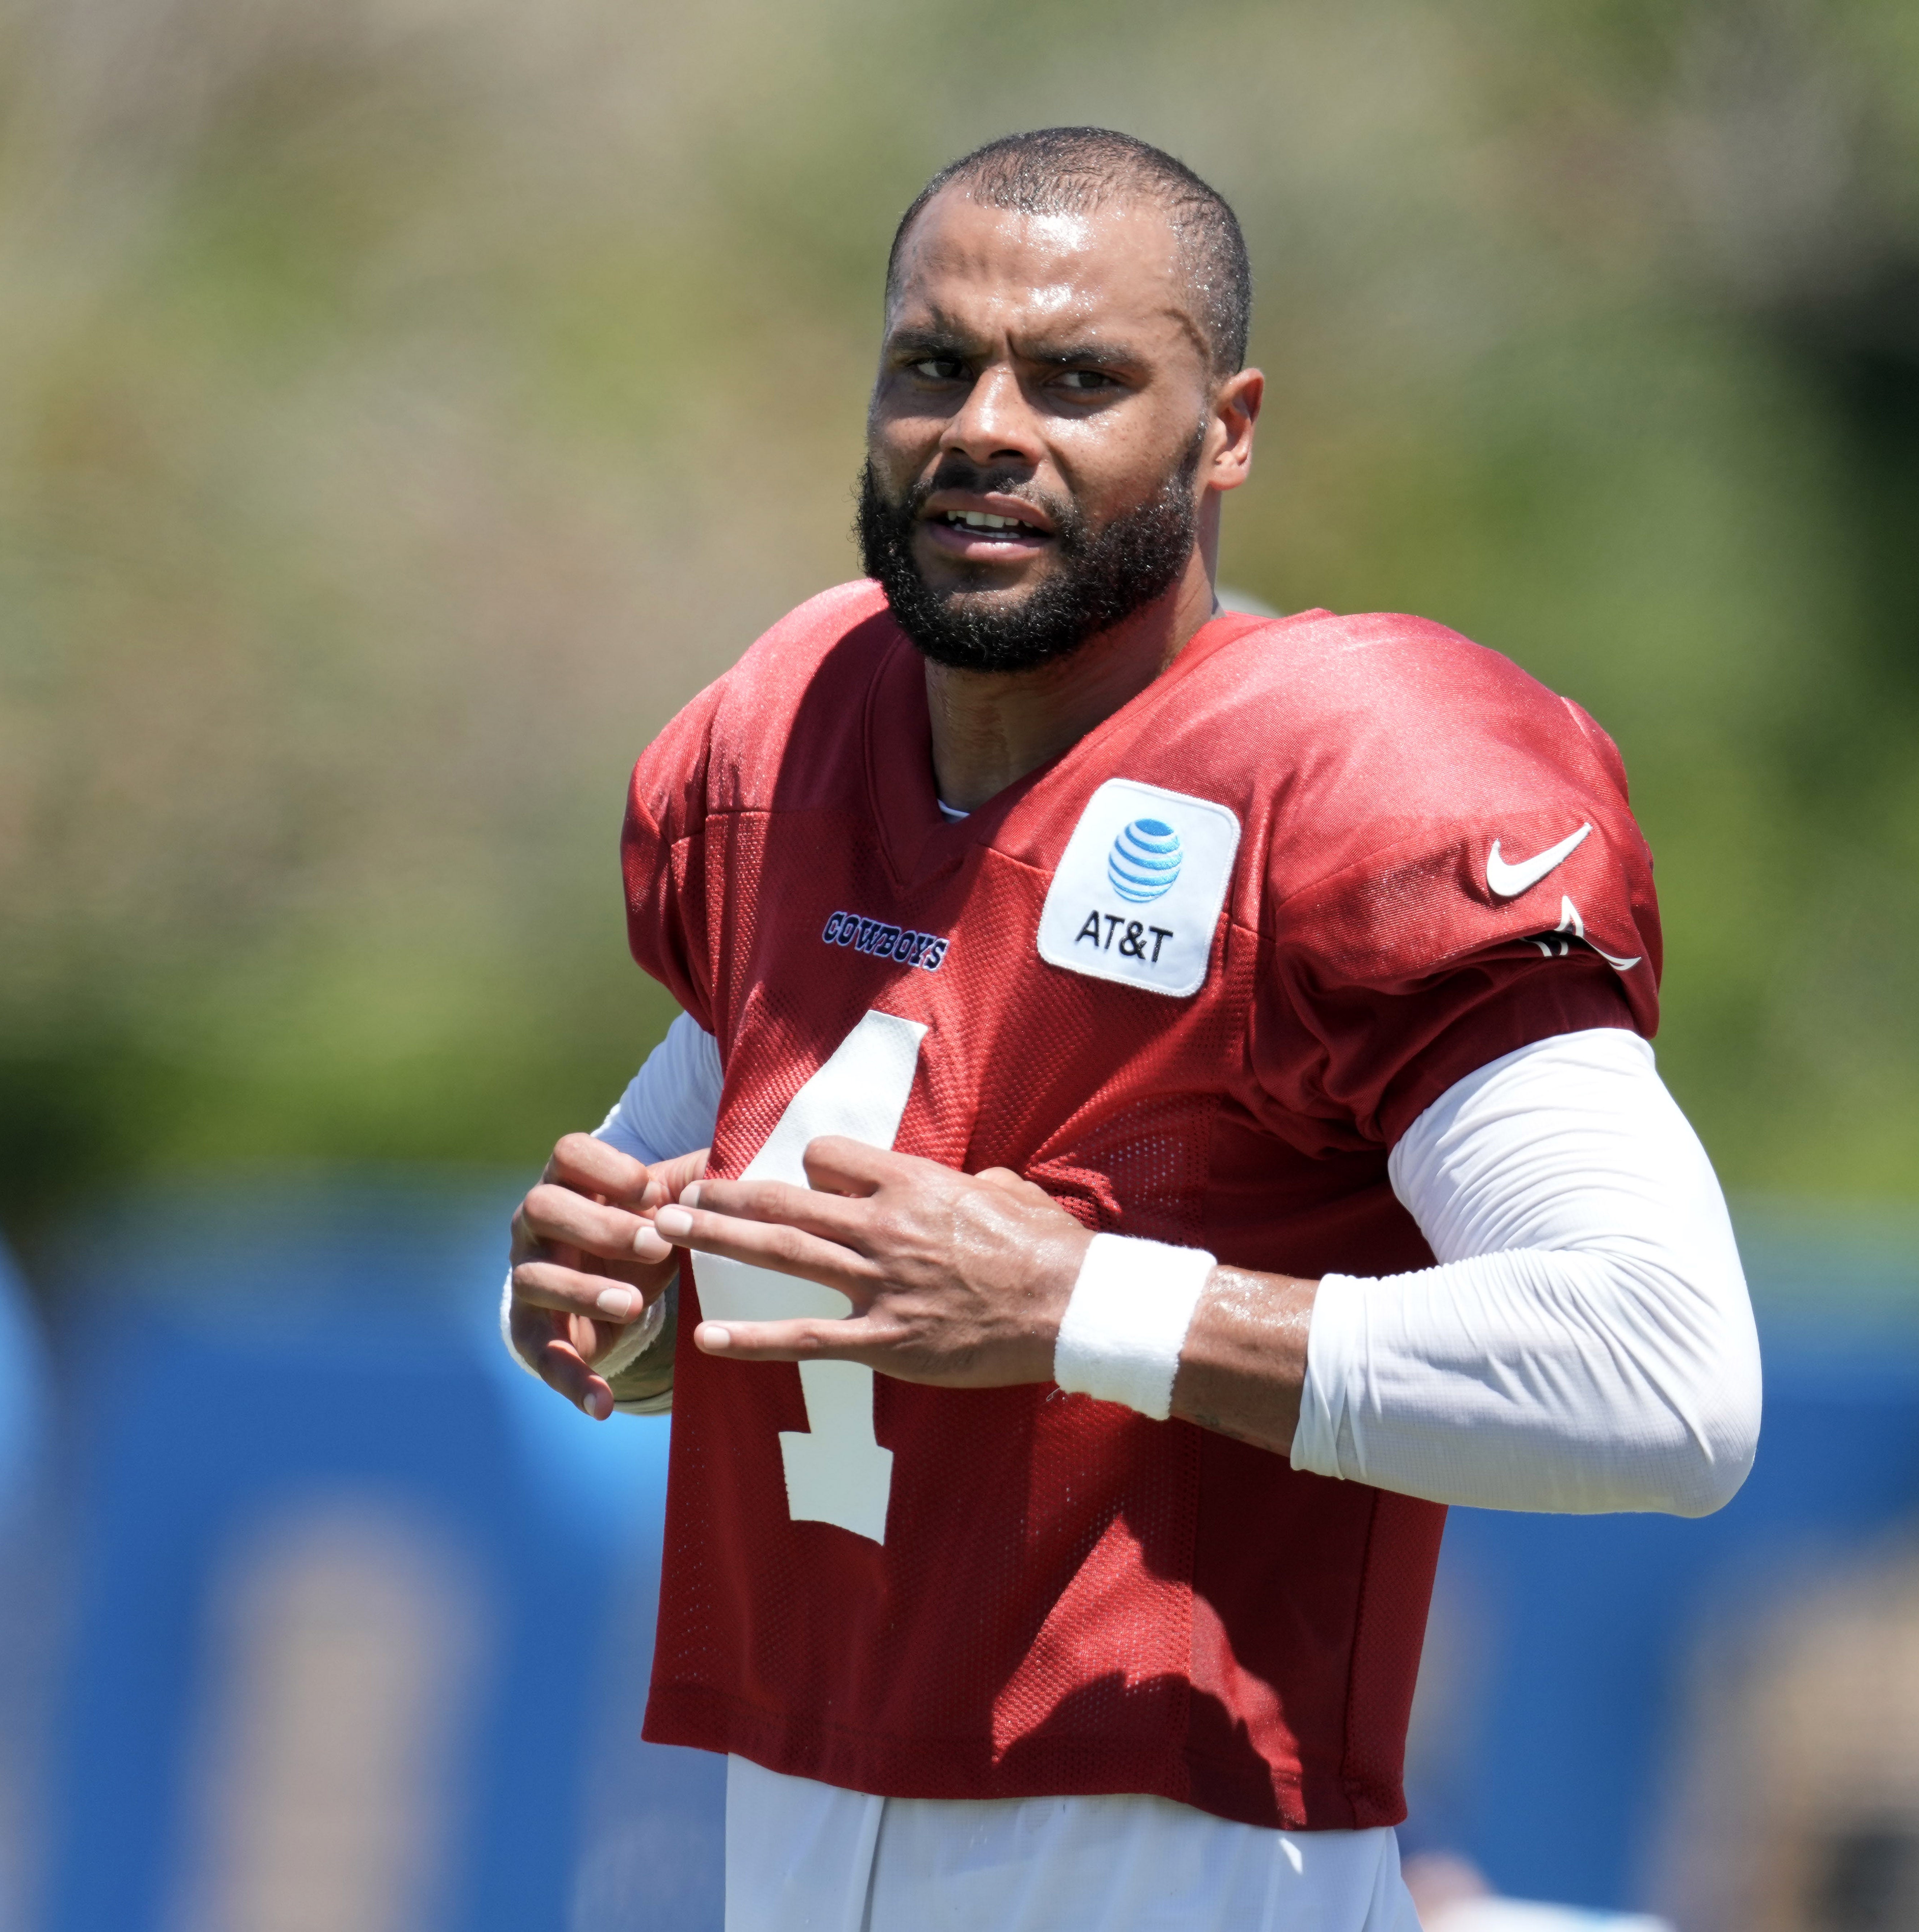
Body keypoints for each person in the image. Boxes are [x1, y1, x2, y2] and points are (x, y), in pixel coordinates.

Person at [502, 126, 1761, 1932]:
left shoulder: (1357, 779)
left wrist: (1081, 1305)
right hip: (789, 1827)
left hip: (1180, 1847)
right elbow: (707, 1206)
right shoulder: (786, 728)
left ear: (1228, 428)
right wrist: (605, 1296)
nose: (987, 424)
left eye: (1079, 377)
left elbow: (1669, 1375)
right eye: (936, 364)